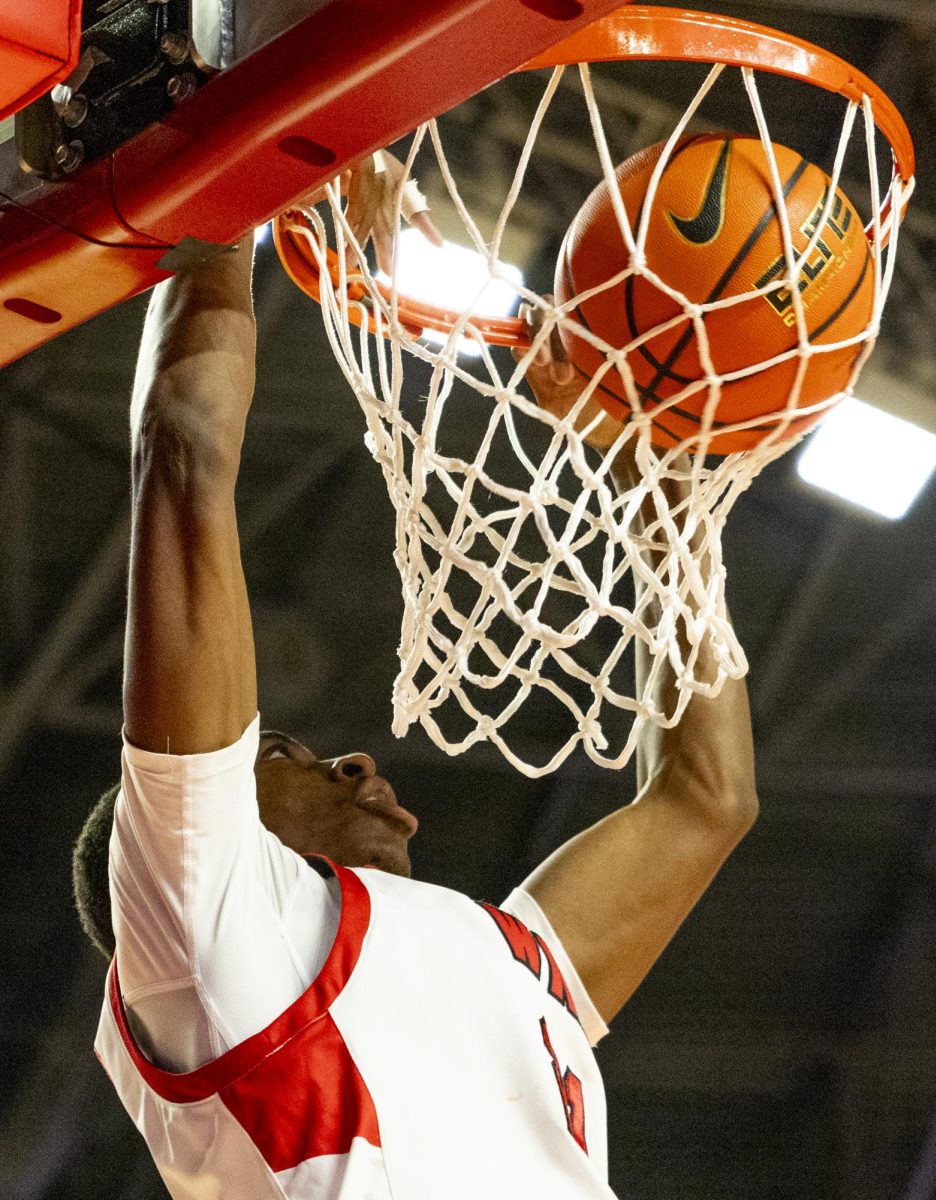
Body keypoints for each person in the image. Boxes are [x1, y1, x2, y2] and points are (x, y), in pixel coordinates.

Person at [72, 155, 758, 1198]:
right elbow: (186, 448)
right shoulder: (201, 918)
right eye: (283, 754)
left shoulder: (504, 957)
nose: (348, 759)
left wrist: (647, 473)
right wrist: (229, 174)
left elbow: (709, 798)